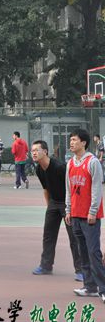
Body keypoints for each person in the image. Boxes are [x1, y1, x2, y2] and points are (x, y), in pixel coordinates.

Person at [30, 140, 82, 280]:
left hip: (67, 203)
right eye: (32, 151)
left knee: (74, 237)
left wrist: (70, 207)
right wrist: (50, 207)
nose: (33, 153)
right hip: (53, 203)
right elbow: (45, 189)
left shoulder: (59, 167)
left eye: (36, 150)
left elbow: (72, 187)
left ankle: (81, 270)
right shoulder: (39, 169)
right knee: (48, 235)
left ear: (45, 151)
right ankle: (46, 266)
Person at [64, 129, 105, 301]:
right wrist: (68, 209)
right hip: (75, 214)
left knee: (93, 251)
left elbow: (97, 189)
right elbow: (68, 189)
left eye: (74, 140)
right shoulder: (70, 163)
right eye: (71, 140)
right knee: (82, 252)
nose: (71, 143)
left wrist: (93, 211)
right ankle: (90, 286)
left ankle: (103, 288)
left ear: (84, 143)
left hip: (89, 216)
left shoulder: (92, 162)